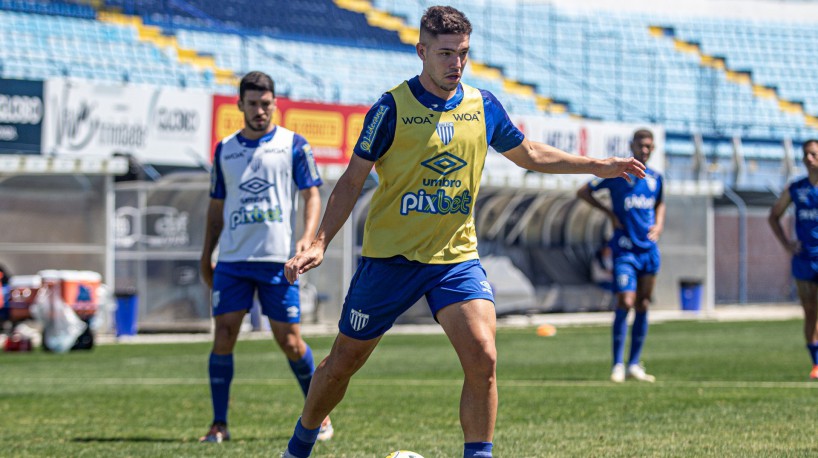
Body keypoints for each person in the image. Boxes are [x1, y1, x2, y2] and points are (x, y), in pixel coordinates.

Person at [280, 6, 645, 458]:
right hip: (391, 260)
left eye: (463, 53)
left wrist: (598, 166)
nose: (456, 63)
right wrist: (319, 242)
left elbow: (529, 154)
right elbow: (353, 179)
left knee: (483, 355)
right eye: (446, 53)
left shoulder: (482, 105)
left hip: (455, 260)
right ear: (421, 52)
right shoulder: (391, 108)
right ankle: (300, 444)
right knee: (343, 364)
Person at [199, 71, 331, 443]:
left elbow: (311, 194)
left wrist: (307, 238)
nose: (260, 110)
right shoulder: (225, 149)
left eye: (266, 104)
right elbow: (216, 207)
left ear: (274, 104)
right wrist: (206, 254)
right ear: (240, 105)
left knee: (290, 341)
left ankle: (319, 415)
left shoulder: (294, 145)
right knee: (224, 335)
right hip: (233, 261)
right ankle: (219, 424)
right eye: (253, 104)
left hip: (278, 261)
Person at [576, 129, 665, 384]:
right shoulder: (617, 174)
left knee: (643, 304)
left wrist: (659, 225)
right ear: (632, 146)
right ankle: (617, 364)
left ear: (653, 149)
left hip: (648, 250)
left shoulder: (656, 178)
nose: (644, 150)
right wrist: (609, 214)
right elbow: (583, 191)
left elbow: (660, 203)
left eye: (648, 146)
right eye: (640, 145)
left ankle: (634, 364)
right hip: (624, 249)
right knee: (626, 301)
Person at [769, 139, 818, 379]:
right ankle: (816, 364)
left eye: (814, 154)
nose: (809, 158)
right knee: (810, 311)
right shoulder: (796, 189)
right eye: (806, 154)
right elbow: (773, 216)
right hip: (804, 259)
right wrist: (787, 244)